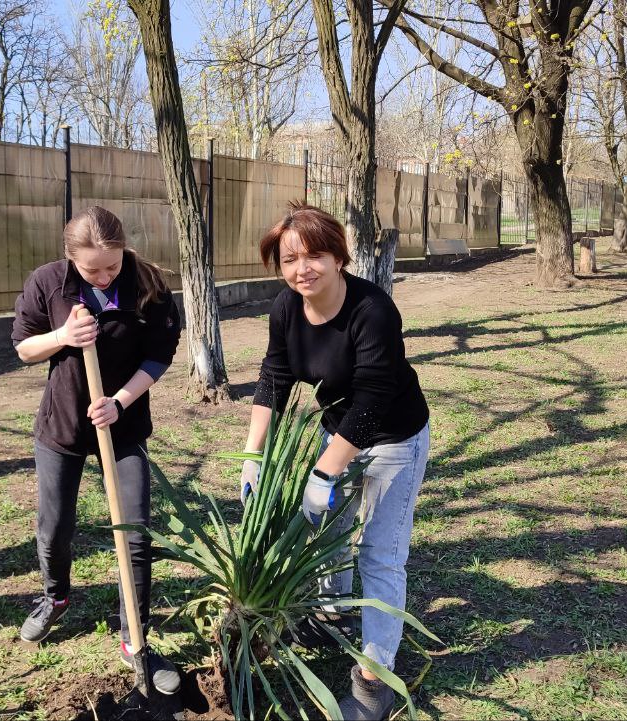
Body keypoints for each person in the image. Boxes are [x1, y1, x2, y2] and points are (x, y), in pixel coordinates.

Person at [241, 201, 431, 720]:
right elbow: (274, 377)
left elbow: (373, 398)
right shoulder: (286, 308)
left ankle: (375, 681)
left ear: (339, 257)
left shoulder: (372, 310)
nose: (302, 268)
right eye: (289, 259)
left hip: (395, 436)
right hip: (338, 432)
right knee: (325, 535)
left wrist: (325, 470)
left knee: (380, 554)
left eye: (314, 255)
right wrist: (252, 456)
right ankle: (330, 616)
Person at [11, 206, 182, 694]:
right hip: (62, 425)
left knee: (135, 533)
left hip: (122, 426)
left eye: (111, 265)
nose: (105, 276)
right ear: (70, 259)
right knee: (55, 527)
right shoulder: (48, 282)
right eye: (93, 270)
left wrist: (120, 402)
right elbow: (23, 346)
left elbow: (159, 354)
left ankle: (135, 638)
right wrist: (63, 336)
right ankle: (55, 597)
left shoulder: (147, 283)